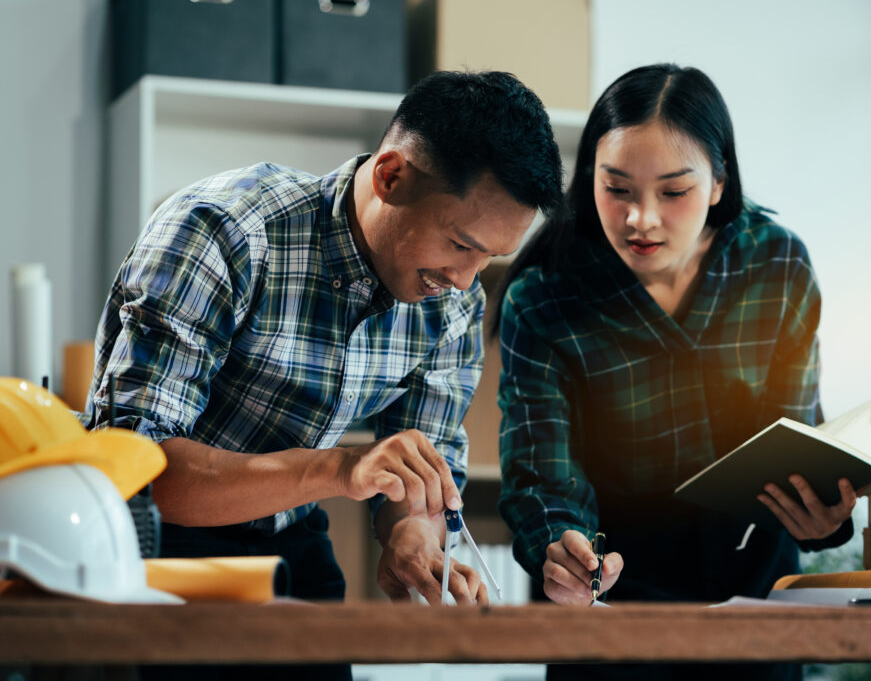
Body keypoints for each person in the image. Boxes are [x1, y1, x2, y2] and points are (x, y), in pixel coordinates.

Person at [80, 70, 563, 680]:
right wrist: (339, 467)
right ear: (392, 177)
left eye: (490, 258)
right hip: (156, 552)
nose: (467, 280)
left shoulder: (452, 303)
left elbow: (426, 463)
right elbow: (138, 477)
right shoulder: (225, 231)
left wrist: (412, 537)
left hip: (290, 542)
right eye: (461, 244)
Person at [493, 64, 856, 680]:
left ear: (718, 182)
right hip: (612, 601)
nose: (642, 219)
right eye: (618, 189)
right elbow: (541, 475)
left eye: (673, 191)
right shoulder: (544, 299)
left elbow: (794, 432)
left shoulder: (777, 263)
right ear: (588, 182)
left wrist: (823, 518)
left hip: (755, 601)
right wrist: (560, 546)